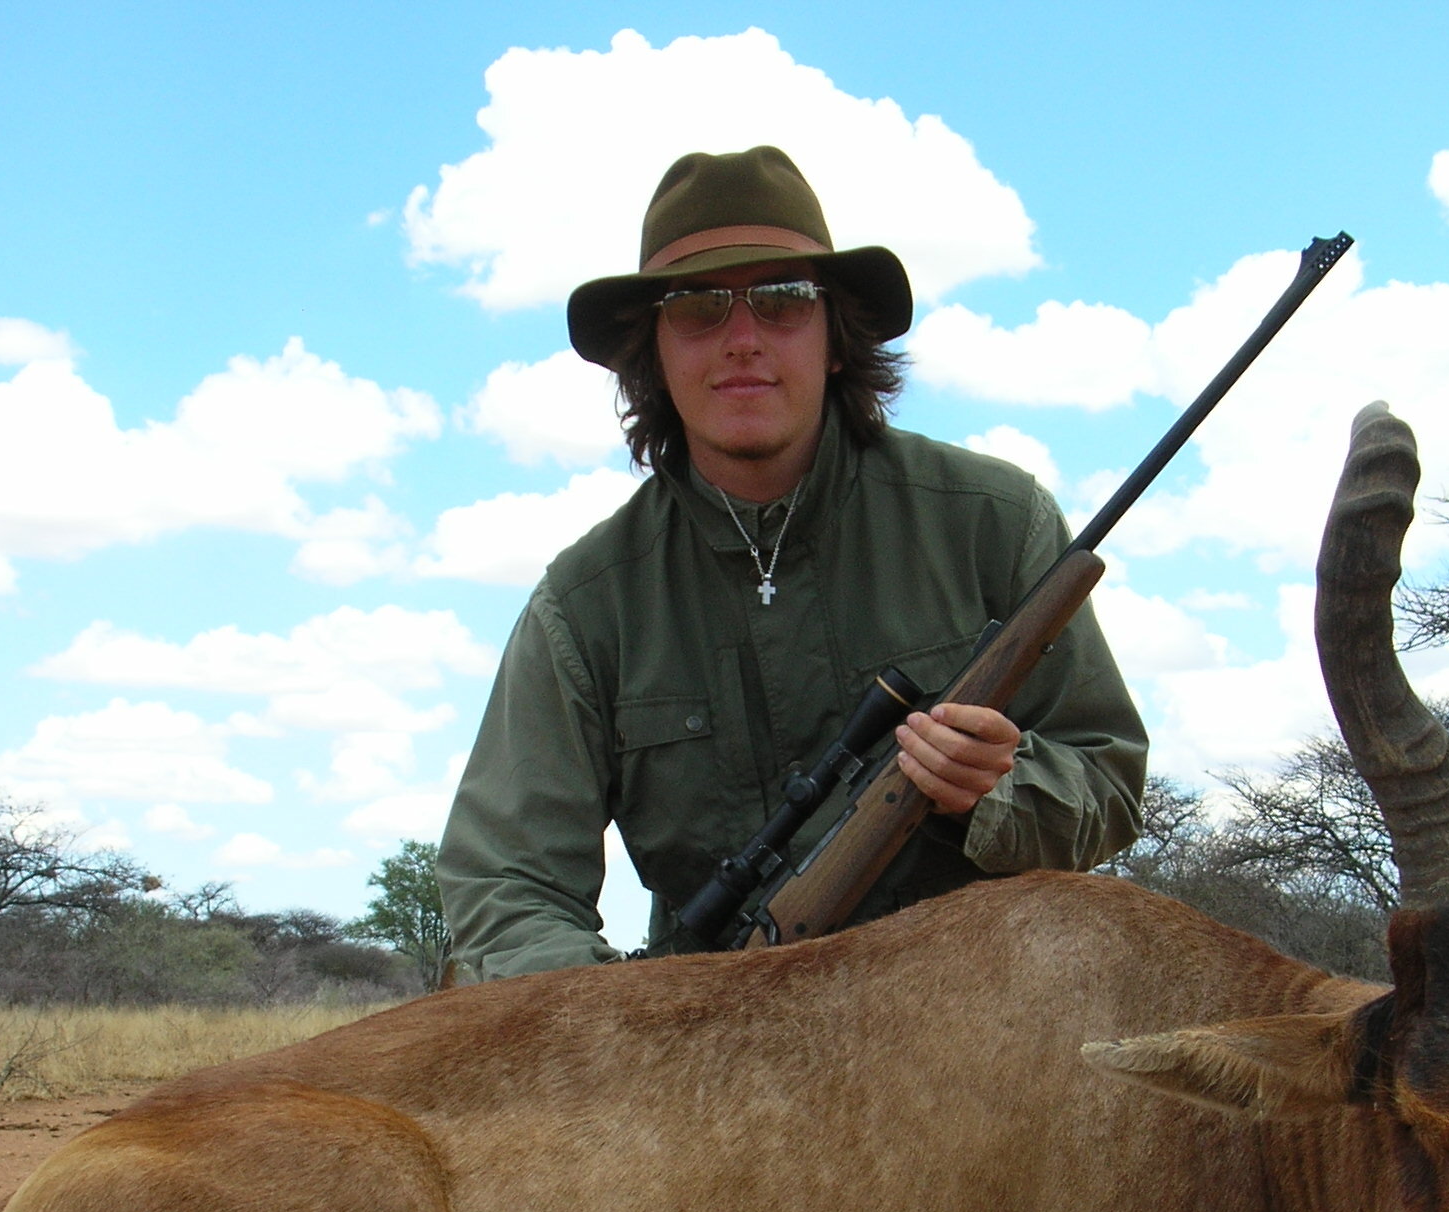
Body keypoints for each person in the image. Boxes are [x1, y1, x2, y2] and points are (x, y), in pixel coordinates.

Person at [437, 145, 1147, 980]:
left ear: (835, 337)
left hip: (982, 1038)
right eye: (698, 307)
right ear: (654, 353)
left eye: (782, 300)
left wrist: (1000, 789)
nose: (742, 339)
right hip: (710, 1053)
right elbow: (506, 885)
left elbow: (1106, 779)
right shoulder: (585, 602)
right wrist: (624, 1031)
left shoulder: (995, 520)